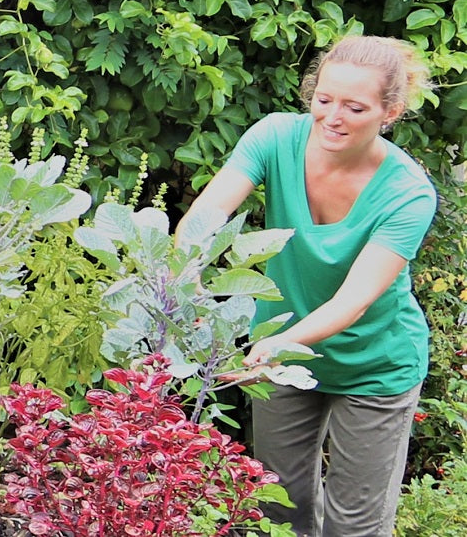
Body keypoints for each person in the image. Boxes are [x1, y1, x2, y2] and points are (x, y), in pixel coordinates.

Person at [174, 35, 437, 537]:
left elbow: (355, 299)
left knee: (352, 524)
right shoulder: (275, 137)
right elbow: (204, 219)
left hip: (373, 365)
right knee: (278, 506)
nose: (332, 118)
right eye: (323, 100)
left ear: (390, 112)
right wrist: (187, 292)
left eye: (354, 107)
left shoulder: (407, 193)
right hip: (282, 356)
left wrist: (275, 343)